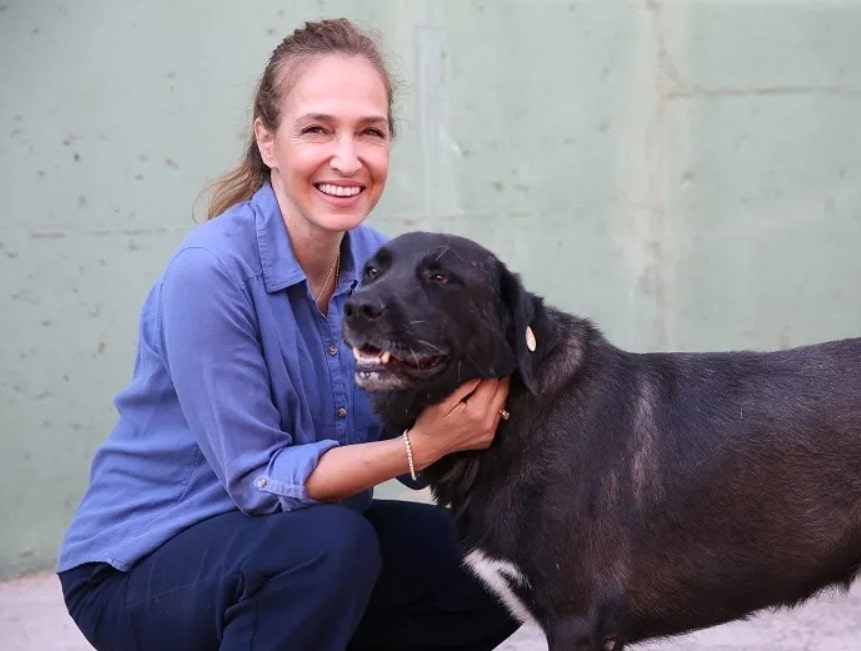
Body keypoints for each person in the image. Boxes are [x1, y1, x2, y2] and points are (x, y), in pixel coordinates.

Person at [57, 17, 520, 651]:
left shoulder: (384, 266)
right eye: (317, 130)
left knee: (495, 565)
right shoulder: (211, 273)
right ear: (267, 141)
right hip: (144, 567)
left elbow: (439, 413)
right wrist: (422, 446)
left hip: (293, 548)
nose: (348, 159)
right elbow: (259, 480)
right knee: (328, 547)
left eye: (371, 133)